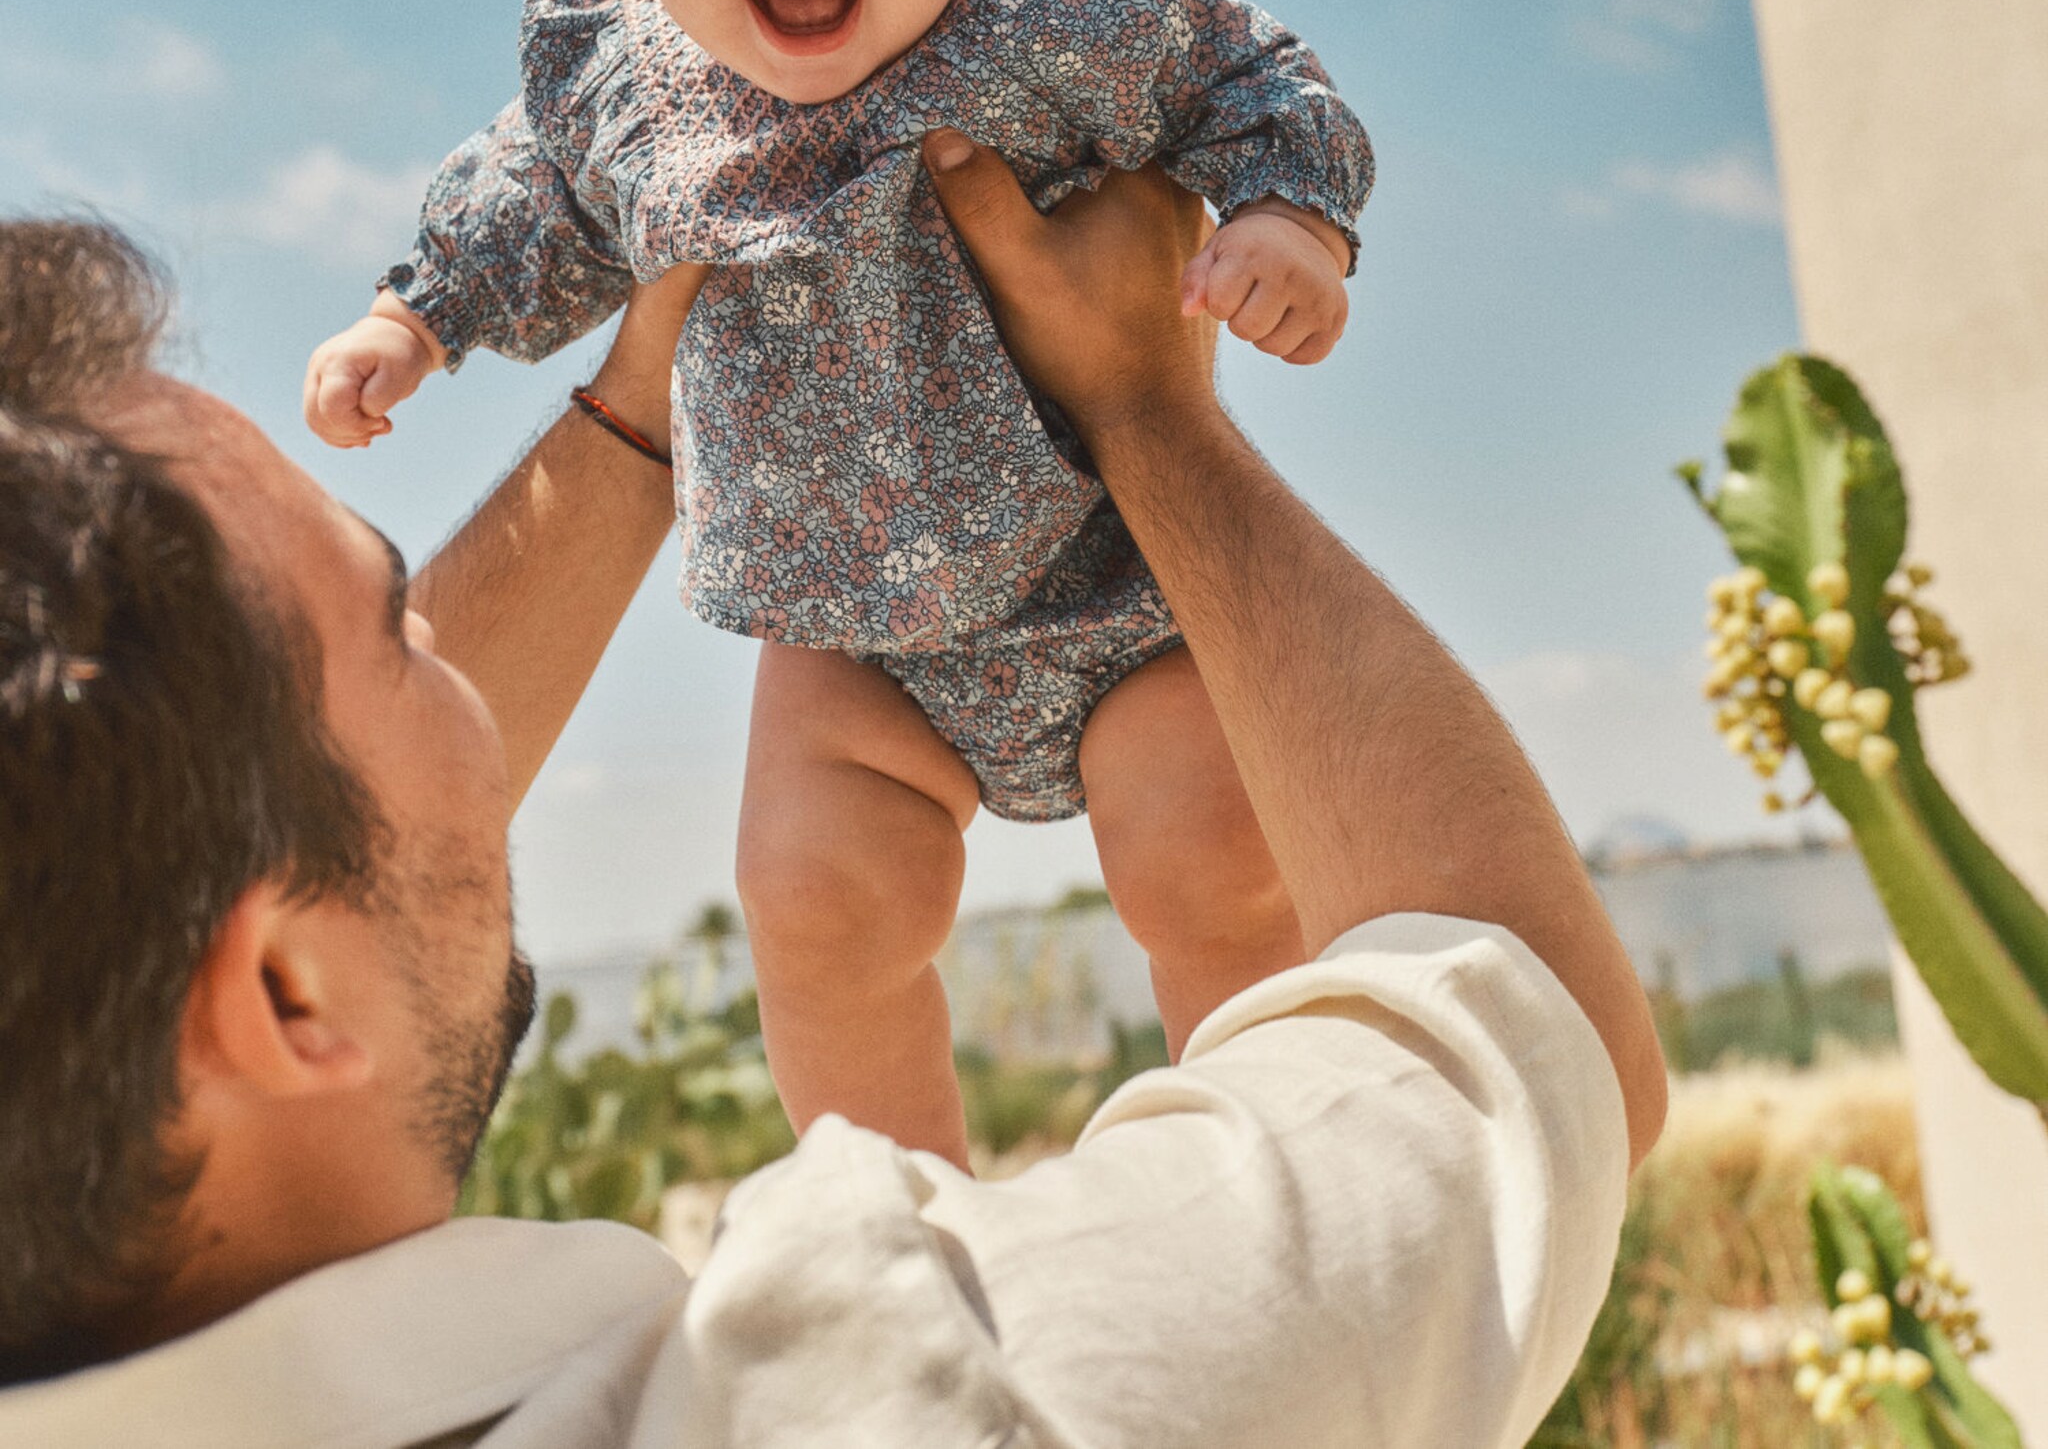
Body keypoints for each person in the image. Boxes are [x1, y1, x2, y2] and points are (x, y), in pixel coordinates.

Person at [0, 142, 1664, 1443]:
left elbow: (216, 854)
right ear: (286, 998)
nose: (463, 670)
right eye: (396, 623)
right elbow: (1532, 1030)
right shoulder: (897, 1391)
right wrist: (1145, 407)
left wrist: (646, 410)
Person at [303, 0, 1376, 1161]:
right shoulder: (622, 77)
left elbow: (1246, 79)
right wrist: (414, 317)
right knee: (811, 907)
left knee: (1217, 870)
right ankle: (898, 1223)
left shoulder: (1065, 1)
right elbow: (534, 203)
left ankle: (1268, 1183)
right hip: (840, 623)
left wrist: (1286, 217)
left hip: (1118, 577)